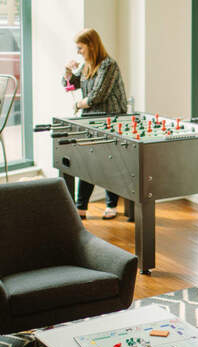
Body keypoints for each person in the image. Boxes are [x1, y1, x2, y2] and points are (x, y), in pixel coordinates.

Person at [63, 28, 127, 220]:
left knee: (109, 162)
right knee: (86, 162)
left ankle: (111, 205)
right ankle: (81, 207)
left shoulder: (109, 65)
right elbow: (70, 85)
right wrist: (67, 71)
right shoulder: (85, 66)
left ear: (91, 46)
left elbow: (99, 95)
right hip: (90, 120)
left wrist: (78, 104)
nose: (78, 52)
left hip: (111, 118)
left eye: (80, 48)